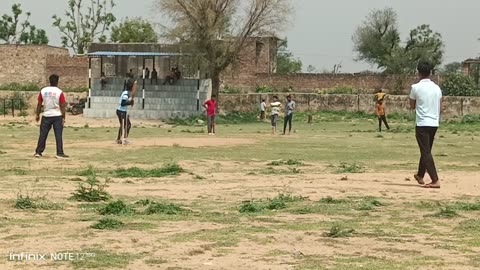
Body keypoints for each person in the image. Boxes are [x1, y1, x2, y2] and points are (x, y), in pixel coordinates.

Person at [409, 60, 444, 189]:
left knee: (425, 151)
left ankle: (435, 180)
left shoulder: (415, 87)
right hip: (434, 123)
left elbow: (412, 106)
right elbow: (440, 107)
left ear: (418, 72)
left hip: (422, 123)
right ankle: (420, 175)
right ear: (430, 72)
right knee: (426, 150)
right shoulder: (437, 88)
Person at [34, 74, 69, 159]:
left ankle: (38, 152)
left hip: (46, 115)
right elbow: (62, 105)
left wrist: (37, 114)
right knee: (58, 135)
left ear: (49, 81)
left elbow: (39, 104)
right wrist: (63, 117)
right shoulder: (59, 92)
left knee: (43, 134)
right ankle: (59, 153)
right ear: (57, 81)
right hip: (57, 116)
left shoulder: (43, 91)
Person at [116, 79, 136, 145]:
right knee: (128, 125)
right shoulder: (126, 93)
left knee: (123, 125)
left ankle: (119, 139)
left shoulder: (126, 93)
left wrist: (130, 101)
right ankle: (124, 139)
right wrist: (130, 103)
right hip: (121, 111)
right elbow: (123, 103)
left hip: (121, 111)